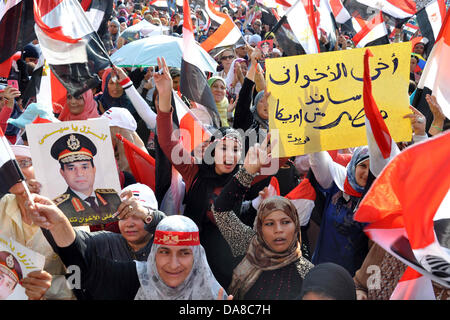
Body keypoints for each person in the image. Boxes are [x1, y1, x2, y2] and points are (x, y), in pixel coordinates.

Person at [26, 198, 230, 300]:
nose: (173, 264)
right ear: (154, 253)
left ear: (196, 256)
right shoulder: (135, 276)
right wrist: (59, 223)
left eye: (184, 253)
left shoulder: (214, 293)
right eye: (164, 252)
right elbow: (83, 263)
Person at [212, 137, 314, 299]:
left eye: (286, 222)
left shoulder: (308, 273)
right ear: (259, 227)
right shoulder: (248, 243)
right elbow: (220, 210)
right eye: (269, 223)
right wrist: (248, 172)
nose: (278, 230)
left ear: (295, 227)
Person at [0, 145, 74, 299]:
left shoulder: (69, 213)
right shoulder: (2, 206)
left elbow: (84, 279)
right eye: (8, 166)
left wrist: (50, 288)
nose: (14, 172)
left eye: (24, 163)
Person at [308, 146, 370, 276]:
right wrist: (312, 131)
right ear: (354, 165)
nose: (366, 173)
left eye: (372, 168)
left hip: (353, 278)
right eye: (363, 166)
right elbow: (317, 158)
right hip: (322, 267)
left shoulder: (380, 199)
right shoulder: (338, 184)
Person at [50, 133, 121, 225]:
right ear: (62, 173)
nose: (79, 174)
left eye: (84, 167)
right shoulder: (58, 208)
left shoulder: (112, 197)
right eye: (71, 168)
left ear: (94, 169)